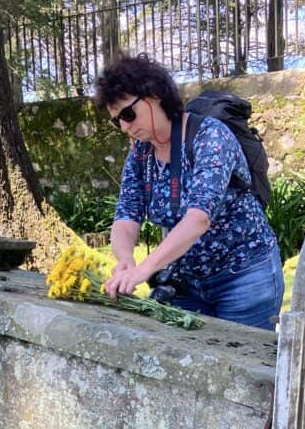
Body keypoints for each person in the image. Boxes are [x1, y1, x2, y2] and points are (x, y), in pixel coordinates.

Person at [93, 54, 283, 331]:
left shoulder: (210, 136)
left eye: (128, 114)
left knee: (244, 369)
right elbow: (126, 216)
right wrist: (125, 261)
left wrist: (145, 269)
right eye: (116, 121)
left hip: (245, 278)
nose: (124, 126)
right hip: (184, 283)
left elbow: (199, 218)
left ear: (155, 96)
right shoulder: (140, 153)